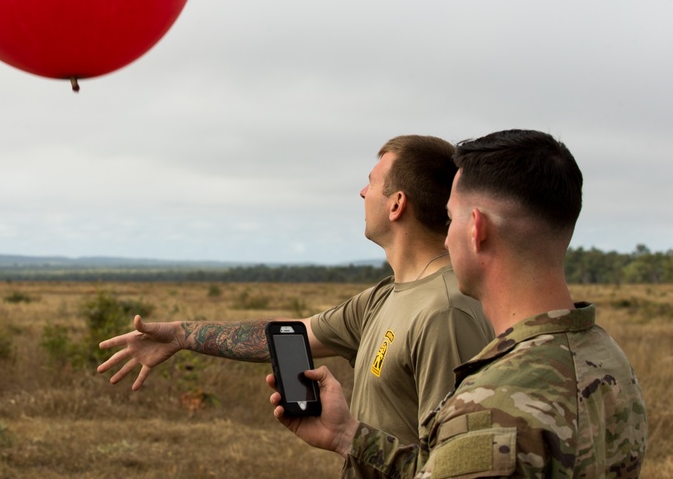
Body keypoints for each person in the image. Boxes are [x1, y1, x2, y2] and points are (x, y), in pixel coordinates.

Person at [270, 129, 648, 477]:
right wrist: (346, 435)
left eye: (450, 219)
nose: (446, 239)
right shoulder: (610, 360)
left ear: (476, 228)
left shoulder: (492, 403)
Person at [98, 135, 494, 454]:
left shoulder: (446, 312)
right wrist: (184, 335)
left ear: (396, 204)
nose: (361, 192)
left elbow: (454, 461)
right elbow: (286, 336)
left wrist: (347, 437)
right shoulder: (384, 297)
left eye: (371, 182)